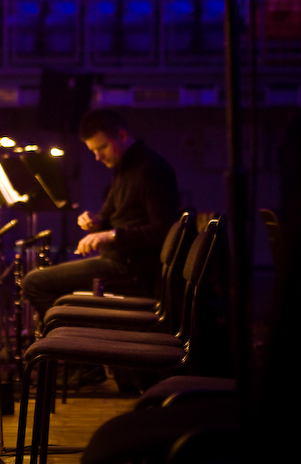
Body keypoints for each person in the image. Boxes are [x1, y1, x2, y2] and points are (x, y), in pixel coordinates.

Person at [21, 108, 181, 332]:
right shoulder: (123, 169)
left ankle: (79, 349)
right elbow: (108, 218)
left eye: (102, 148)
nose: (97, 157)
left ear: (122, 136)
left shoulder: (152, 169)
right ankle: (83, 349)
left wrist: (111, 234)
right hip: (118, 263)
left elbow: (164, 231)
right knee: (42, 283)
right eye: (94, 151)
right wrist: (94, 222)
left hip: (133, 270)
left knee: (34, 283)